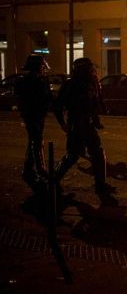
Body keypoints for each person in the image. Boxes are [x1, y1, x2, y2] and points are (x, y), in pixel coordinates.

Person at [53, 57, 114, 198]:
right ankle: (53, 180)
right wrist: (63, 124)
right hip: (77, 124)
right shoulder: (71, 85)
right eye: (89, 69)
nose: (93, 71)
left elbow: (93, 104)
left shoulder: (90, 83)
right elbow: (57, 106)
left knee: (93, 154)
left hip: (87, 124)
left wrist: (97, 119)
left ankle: (100, 185)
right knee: (74, 155)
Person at [14, 54, 53, 194]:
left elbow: (47, 98)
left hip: (37, 115)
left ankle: (28, 169)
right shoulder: (26, 81)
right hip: (32, 115)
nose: (43, 68)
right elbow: (22, 100)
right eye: (41, 66)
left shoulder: (40, 80)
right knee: (37, 141)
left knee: (33, 141)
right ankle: (41, 169)